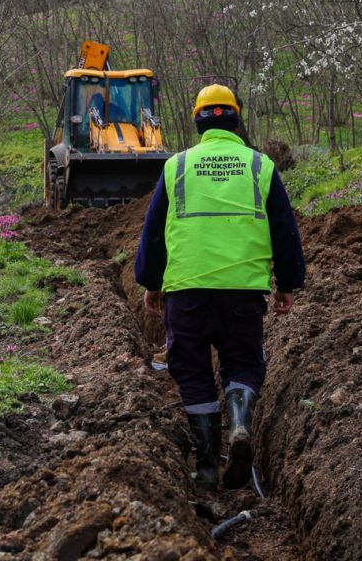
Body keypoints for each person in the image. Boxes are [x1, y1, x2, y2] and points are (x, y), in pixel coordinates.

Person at [134, 83, 306, 491]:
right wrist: (288, 283)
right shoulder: (260, 166)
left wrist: (151, 283)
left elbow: (154, 232)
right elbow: (285, 230)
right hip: (242, 292)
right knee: (242, 364)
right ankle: (241, 425)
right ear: (236, 118)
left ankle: (208, 466)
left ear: (197, 121)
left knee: (192, 372)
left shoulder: (176, 166)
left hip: (187, 293)